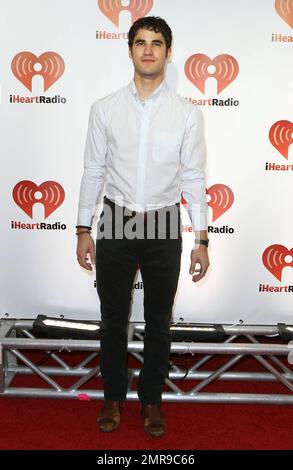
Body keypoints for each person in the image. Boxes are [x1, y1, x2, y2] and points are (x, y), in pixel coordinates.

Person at [76, 16, 209, 437]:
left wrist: (202, 239)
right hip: (115, 219)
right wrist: (82, 228)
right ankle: (113, 395)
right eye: (140, 42)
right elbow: (93, 171)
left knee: (158, 321)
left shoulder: (187, 114)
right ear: (130, 50)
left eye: (156, 43)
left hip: (165, 220)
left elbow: (193, 179)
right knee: (112, 317)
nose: (148, 49)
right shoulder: (104, 109)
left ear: (169, 53)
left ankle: (151, 399)